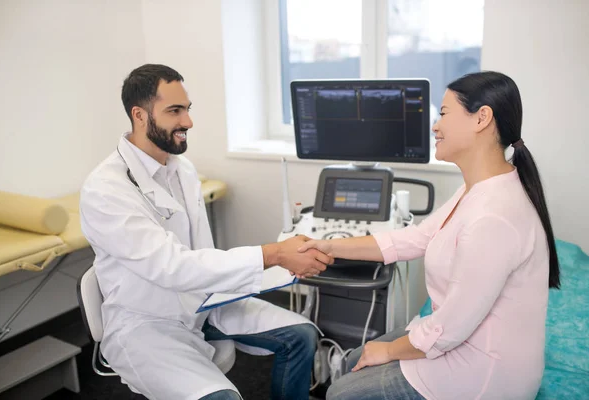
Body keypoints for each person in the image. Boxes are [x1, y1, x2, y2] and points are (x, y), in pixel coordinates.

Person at [299, 71, 560, 400]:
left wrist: (390, 350)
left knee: (340, 392)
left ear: (482, 118)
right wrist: (326, 246)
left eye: (444, 114)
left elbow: (449, 330)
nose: (435, 126)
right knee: (353, 359)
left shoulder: (494, 218)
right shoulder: (478, 188)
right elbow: (414, 238)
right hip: (460, 340)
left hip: (484, 375)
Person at [79, 64, 333, 400]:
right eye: (174, 111)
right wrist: (274, 254)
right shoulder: (106, 190)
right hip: (146, 323)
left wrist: (275, 264)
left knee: (302, 335)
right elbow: (174, 267)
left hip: (203, 301)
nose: (188, 122)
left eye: (187, 109)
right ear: (139, 115)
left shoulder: (181, 168)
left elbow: (201, 253)